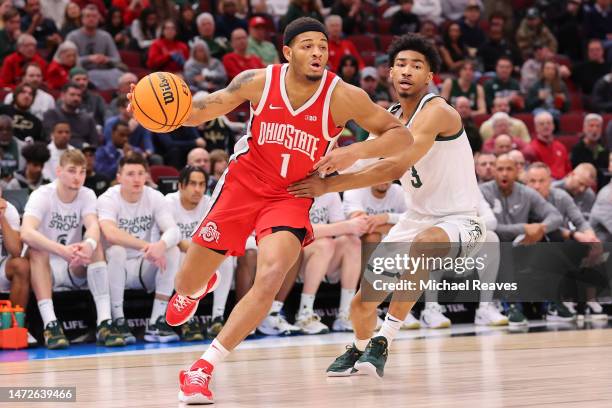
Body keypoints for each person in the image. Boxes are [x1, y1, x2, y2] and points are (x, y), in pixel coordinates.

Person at [128, 17, 413, 403]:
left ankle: (201, 368)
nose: (317, 52)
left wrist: (353, 151)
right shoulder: (258, 81)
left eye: (323, 46)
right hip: (243, 186)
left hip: (291, 195)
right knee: (186, 284)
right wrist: (150, 110)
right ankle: (197, 288)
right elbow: (201, 109)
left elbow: (401, 135)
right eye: (308, 45)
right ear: (287, 52)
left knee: (272, 275)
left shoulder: (343, 95)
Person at [288, 34, 486, 379]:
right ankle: (362, 348)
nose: (407, 71)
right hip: (415, 219)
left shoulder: (438, 111)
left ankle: (384, 339)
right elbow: (362, 166)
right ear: (390, 74)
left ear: (430, 77)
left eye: (417, 65)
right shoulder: (390, 116)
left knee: (426, 245)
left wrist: (339, 170)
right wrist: (319, 165)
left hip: (461, 221)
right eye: (400, 64)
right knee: (360, 306)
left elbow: (393, 166)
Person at [21, 150, 124, 349]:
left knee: (95, 245)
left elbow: (93, 226)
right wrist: (60, 250)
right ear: (59, 171)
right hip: (45, 268)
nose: (77, 177)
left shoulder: (87, 194)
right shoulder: (42, 195)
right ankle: (51, 325)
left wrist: (88, 245)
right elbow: (26, 232)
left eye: (82, 172)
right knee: (36, 249)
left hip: (72, 265)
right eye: (72, 171)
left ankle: (104, 322)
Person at [97, 153, 182, 344]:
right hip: (115, 266)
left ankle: (157, 322)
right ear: (119, 177)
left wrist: (161, 245)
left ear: (146, 176)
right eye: (130, 174)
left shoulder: (154, 197)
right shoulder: (108, 198)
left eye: (140, 173)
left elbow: (174, 230)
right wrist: (147, 246)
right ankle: (118, 319)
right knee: (116, 250)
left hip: (143, 265)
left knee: (172, 250)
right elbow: (111, 233)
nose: (136, 179)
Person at [292, 191, 366, 334]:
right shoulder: (295, 191)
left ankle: (346, 314)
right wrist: (347, 225)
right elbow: (300, 232)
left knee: (352, 242)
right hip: (295, 259)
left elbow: (341, 230)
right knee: (324, 244)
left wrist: (359, 224)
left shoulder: (330, 192)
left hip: (323, 258)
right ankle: (304, 315)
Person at [65, 5, 124, 90]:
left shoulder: (105, 36)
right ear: (82, 19)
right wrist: (89, 58)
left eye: (94, 16)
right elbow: (68, 60)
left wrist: (106, 59)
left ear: (98, 19)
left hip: (105, 70)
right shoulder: (72, 36)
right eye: (88, 16)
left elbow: (117, 59)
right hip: (83, 72)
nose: (91, 19)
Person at [42, 82, 99, 149]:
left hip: (82, 155)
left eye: (79, 95)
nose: (76, 98)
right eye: (72, 95)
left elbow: (94, 143)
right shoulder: (52, 115)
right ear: (62, 96)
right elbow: (49, 138)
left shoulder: (87, 119)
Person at [570, 114, 608, 188]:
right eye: (591, 125)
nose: (595, 129)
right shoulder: (577, 149)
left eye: (598, 126)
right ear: (584, 128)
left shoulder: (605, 149)